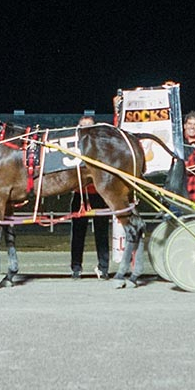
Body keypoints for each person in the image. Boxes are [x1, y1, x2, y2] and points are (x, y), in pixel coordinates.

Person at [69, 115, 112, 280]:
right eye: (83, 126)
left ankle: (103, 267)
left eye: (89, 126)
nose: (86, 128)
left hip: (99, 195)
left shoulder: (102, 147)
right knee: (78, 234)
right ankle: (76, 267)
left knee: (101, 233)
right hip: (80, 195)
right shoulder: (73, 148)